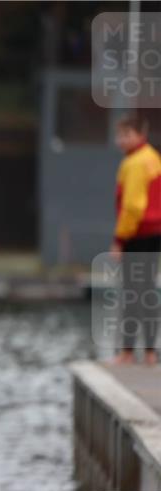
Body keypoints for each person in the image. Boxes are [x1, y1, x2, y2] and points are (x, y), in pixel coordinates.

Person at [111, 114, 161, 366]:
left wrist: (119, 240)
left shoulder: (133, 163)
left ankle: (127, 352)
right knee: (148, 291)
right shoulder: (154, 158)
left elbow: (132, 206)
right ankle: (150, 352)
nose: (121, 140)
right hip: (156, 233)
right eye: (119, 135)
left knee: (131, 293)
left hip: (138, 234)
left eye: (126, 135)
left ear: (141, 134)